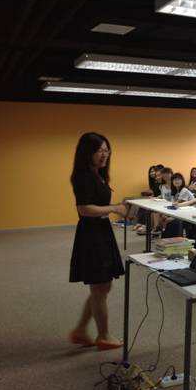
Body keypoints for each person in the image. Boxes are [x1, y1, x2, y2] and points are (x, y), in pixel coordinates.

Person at [69, 132, 125, 351]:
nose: (104, 154)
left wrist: (115, 207)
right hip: (92, 235)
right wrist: (114, 208)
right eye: (99, 150)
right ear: (87, 152)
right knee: (100, 287)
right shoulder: (83, 176)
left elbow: (97, 204)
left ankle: (81, 331)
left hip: (101, 231)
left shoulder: (98, 174)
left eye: (106, 150)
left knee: (101, 286)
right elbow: (84, 209)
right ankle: (103, 336)